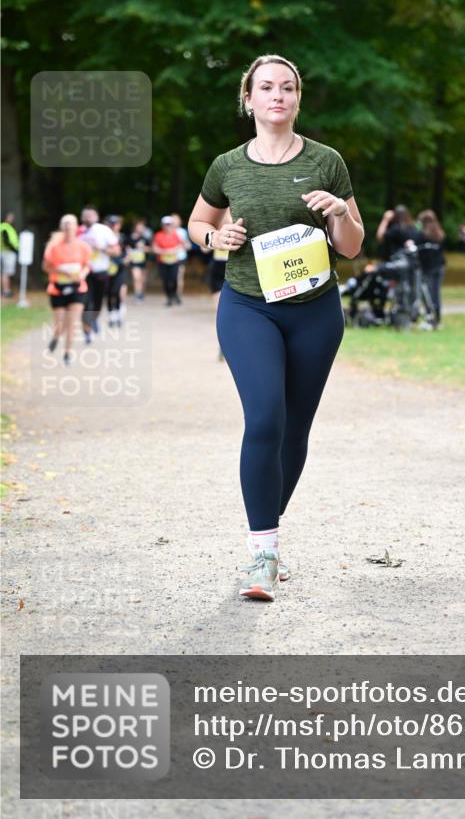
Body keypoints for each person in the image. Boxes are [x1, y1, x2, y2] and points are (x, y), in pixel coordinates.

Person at [188, 54, 364, 601]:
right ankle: (262, 553)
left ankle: (269, 524)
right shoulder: (227, 166)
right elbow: (198, 222)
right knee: (265, 416)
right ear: (249, 99)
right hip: (248, 306)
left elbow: (353, 246)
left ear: (297, 99)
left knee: (296, 428)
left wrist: (338, 211)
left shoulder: (327, 161)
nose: (277, 96)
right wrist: (215, 240)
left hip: (314, 309)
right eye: (266, 87)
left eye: (287, 88)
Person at [42, 214, 91, 364]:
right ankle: (56, 336)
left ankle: (68, 353)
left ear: (76, 227)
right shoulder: (53, 247)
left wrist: (81, 274)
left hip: (77, 289)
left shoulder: (83, 246)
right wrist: (64, 272)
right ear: (62, 227)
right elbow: (46, 266)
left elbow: (87, 266)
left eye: (72, 225)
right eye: (66, 225)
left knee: (73, 322)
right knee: (60, 325)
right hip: (58, 289)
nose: (69, 228)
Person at [78, 206, 119, 343]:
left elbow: (116, 251)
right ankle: (87, 330)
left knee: (97, 302)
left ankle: (93, 319)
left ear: (97, 217)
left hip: (101, 271)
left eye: (91, 215)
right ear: (82, 217)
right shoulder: (78, 232)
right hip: (83, 272)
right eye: (85, 215)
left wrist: (100, 248)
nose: (88, 218)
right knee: (85, 301)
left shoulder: (104, 230)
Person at [417, 209, 446, 327]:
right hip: (440, 266)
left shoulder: (422, 235)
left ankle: (430, 316)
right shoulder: (440, 234)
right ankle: (437, 318)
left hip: (428, 268)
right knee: (436, 293)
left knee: (428, 294)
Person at [152, 216, 185, 306]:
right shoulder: (158, 235)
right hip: (162, 261)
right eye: (165, 225)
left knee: (174, 278)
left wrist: (173, 250)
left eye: (169, 224)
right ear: (162, 225)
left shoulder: (175, 234)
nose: (167, 226)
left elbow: (182, 245)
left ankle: (174, 294)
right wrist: (164, 252)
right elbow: (154, 248)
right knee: (165, 280)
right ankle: (169, 297)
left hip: (174, 261)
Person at [104, 216, 129, 327]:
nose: (114, 226)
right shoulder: (104, 237)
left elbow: (128, 251)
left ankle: (118, 313)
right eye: (112, 224)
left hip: (120, 267)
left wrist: (126, 259)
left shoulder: (122, 237)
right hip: (107, 267)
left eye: (117, 224)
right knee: (109, 292)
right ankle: (111, 315)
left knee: (117, 290)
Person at [127, 218, 152, 301]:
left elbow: (150, 249)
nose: (140, 228)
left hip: (144, 261)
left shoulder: (145, 238)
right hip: (134, 261)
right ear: (135, 227)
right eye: (139, 227)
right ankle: (137, 294)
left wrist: (143, 247)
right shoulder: (130, 237)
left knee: (142, 279)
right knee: (136, 277)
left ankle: (141, 293)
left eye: (142, 227)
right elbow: (127, 248)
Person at [172, 213, 191, 301]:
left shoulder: (182, 232)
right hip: (170, 257)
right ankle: (172, 294)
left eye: (176, 219)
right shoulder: (167, 231)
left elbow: (188, 245)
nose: (174, 221)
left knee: (179, 276)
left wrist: (183, 243)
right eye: (173, 219)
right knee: (171, 277)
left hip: (180, 257)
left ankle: (178, 295)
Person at [1, 211, 19, 298]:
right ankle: (6, 291)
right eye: (10, 217)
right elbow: (7, 240)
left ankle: (4, 290)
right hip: (7, 252)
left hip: (3, 251)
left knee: (3, 272)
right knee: (6, 272)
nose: (12, 219)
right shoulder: (6, 227)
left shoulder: (2, 226)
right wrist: (13, 249)